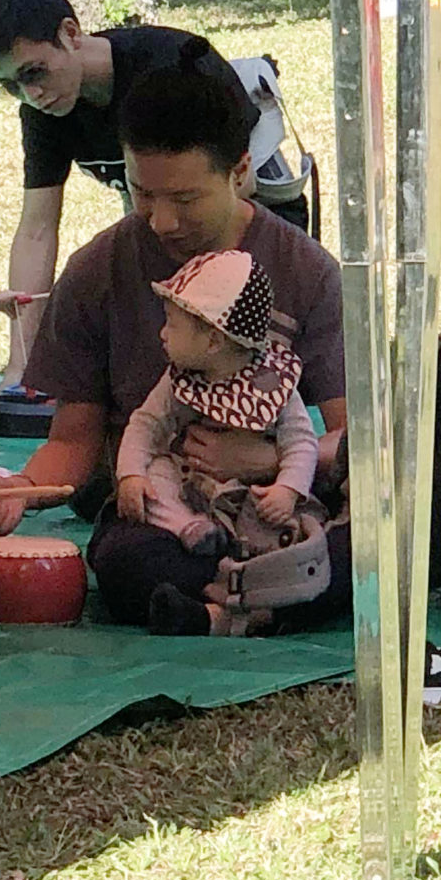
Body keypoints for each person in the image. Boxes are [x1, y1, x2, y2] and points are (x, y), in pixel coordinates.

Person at [0, 69, 348, 633]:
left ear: (239, 172)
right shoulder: (97, 271)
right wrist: (20, 490)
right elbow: (73, 441)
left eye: (185, 199)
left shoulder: (305, 272)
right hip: (165, 513)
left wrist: (267, 464)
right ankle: (265, 602)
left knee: (365, 549)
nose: (162, 221)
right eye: (142, 194)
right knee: (123, 561)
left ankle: (227, 605)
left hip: (274, 509)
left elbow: (356, 440)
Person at [0, 0, 268, 378]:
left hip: (244, 219)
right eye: (10, 86)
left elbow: (233, 188)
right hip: (158, 227)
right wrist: (23, 366)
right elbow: (36, 230)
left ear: (70, 34)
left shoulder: (170, 68)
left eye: (34, 72)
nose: (30, 93)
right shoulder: (44, 108)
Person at [115, 249, 329, 635]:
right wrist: (130, 474)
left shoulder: (272, 383)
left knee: (302, 544)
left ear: (213, 340)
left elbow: (302, 442)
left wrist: (287, 488)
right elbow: (145, 425)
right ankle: (187, 530)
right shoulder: (179, 378)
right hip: (190, 492)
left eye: (173, 325)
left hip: (251, 504)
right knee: (156, 471)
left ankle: (241, 602)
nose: (162, 333)